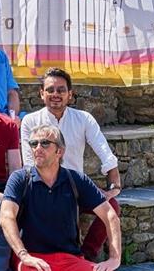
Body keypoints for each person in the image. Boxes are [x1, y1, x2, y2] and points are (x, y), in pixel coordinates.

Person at [0, 125, 122, 271]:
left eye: (45, 143)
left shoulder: (75, 179)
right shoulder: (20, 178)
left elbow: (110, 215)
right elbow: (6, 217)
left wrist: (114, 258)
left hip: (68, 260)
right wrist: (24, 255)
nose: (37, 148)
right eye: (33, 143)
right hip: (32, 257)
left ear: (60, 151)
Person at [21, 68, 122, 259]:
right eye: (50, 90)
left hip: (76, 188)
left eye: (61, 90)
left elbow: (104, 151)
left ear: (70, 94)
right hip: (43, 187)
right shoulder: (30, 121)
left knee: (112, 206)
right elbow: (29, 164)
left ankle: (87, 255)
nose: (55, 94)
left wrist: (113, 184)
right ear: (41, 94)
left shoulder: (83, 119)